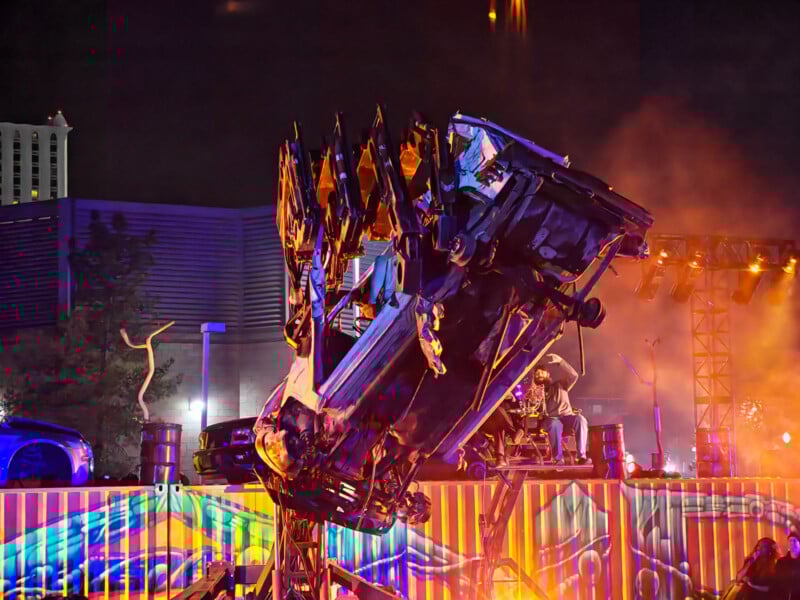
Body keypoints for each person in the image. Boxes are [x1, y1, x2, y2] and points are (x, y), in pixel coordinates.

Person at [531, 353, 589, 465]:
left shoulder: (560, 385)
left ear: (548, 374)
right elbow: (532, 408)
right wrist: (536, 399)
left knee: (580, 419)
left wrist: (560, 361)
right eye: (536, 374)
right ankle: (558, 459)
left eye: (541, 372)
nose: (539, 375)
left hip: (567, 418)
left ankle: (581, 457)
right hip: (551, 420)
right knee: (554, 424)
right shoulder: (535, 392)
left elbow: (573, 375)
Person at [776, 532, 800, 599]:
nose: (792, 543)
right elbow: (777, 582)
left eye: (794, 540)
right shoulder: (781, 562)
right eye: (790, 541)